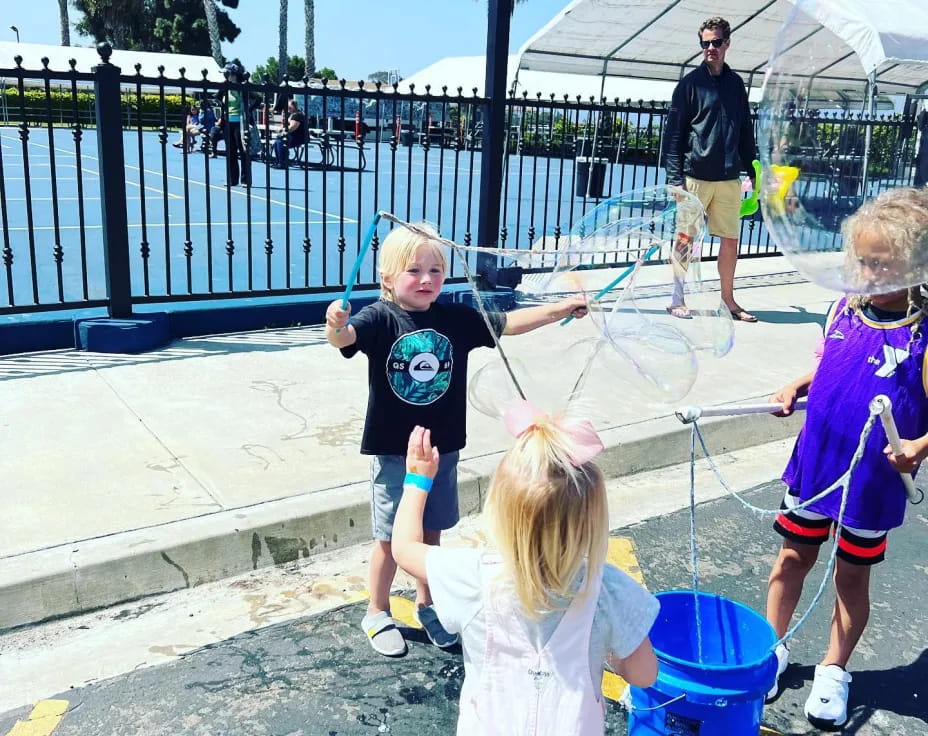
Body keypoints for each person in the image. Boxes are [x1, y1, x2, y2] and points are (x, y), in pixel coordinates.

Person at [325, 222, 589, 658]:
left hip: (443, 447)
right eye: (414, 270)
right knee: (392, 538)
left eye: (435, 269)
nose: (427, 279)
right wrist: (335, 323)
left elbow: (509, 323)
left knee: (431, 533)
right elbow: (343, 339)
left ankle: (427, 604)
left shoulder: (457, 318)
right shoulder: (378, 317)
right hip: (397, 453)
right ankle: (376, 610)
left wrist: (559, 309)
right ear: (387, 278)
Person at [764, 187, 928, 729]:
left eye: (880, 264)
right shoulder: (844, 308)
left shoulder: (923, 332)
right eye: (860, 259)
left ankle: (835, 668)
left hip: (872, 481)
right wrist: (797, 382)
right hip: (815, 465)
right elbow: (836, 363)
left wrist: (917, 448)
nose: (865, 271)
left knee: (851, 579)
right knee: (792, 559)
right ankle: (773, 646)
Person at [392, 416, 658, 734]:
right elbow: (644, 675)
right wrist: (610, 649)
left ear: (500, 513)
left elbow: (405, 548)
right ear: (592, 522)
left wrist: (417, 481)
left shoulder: (473, 577)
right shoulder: (609, 591)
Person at [664, 16, 758, 322]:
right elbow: (674, 136)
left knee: (730, 240)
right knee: (685, 239)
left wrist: (753, 169)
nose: (710, 48)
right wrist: (675, 180)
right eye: (705, 43)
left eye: (716, 42)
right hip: (694, 177)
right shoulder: (689, 85)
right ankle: (677, 298)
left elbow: (745, 129)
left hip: (728, 178)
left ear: (727, 44)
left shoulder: (735, 85)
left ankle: (728, 301)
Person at [220, 62, 251, 187]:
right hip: (228, 123)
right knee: (231, 152)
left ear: (233, 75)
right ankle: (232, 179)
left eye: (227, 74)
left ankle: (245, 179)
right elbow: (218, 98)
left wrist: (247, 111)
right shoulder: (224, 88)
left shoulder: (241, 88)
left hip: (240, 123)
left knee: (243, 152)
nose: (225, 76)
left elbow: (257, 98)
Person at [271, 98, 307, 169]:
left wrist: (284, 130)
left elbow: (292, 127)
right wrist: (283, 127)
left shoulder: (298, 115)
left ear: (294, 106)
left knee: (280, 142)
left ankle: (282, 162)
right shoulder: (290, 115)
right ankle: (278, 161)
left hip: (299, 137)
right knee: (276, 142)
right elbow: (284, 124)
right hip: (291, 136)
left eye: (290, 107)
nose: (288, 108)